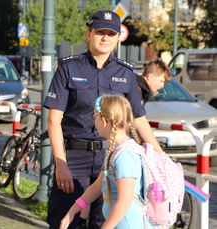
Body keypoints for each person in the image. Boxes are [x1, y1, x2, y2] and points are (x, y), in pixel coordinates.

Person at [43, 10, 163, 229]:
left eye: (111, 33)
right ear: (89, 34)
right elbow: (53, 120)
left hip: (109, 156)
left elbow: (138, 118)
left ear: (118, 39)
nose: (105, 37)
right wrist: (61, 164)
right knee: (63, 220)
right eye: (100, 32)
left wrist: (160, 155)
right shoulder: (68, 68)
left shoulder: (126, 73)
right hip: (73, 157)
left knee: (104, 221)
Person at [59, 94, 154, 229]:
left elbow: (124, 201)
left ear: (105, 121)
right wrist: (72, 211)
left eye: (95, 117)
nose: (94, 122)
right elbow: (97, 187)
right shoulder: (114, 150)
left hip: (128, 224)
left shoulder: (126, 155)